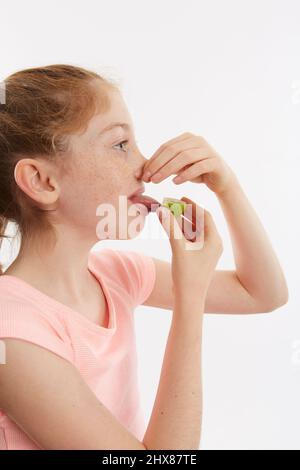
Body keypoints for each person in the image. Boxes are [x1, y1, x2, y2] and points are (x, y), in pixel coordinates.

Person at [0, 64, 288, 450]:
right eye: (121, 145)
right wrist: (190, 297)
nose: (146, 167)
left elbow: (263, 294)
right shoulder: (13, 331)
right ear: (42, 181)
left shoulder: (116, 273)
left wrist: (227, 186)